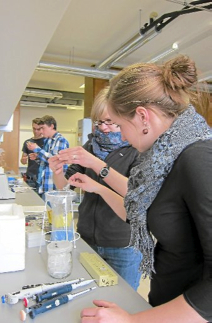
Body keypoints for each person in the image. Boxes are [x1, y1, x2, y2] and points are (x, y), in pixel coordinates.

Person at [67, 55, 212, 322]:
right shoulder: (160, 161)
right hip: (165, 306)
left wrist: (132, 321)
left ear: (143, 117)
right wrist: (98, 189)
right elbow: (138, 213)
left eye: (120, 125)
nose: (120, 135)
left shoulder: (198, 158)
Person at [49, 87, 143, 290]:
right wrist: (57, 170)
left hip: (123, 243)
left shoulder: (138, 150)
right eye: (100, 122)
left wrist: (95, 165)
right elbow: (63, 186)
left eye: (110, 122)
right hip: (87, 237)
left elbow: (135, 193)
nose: (104, 128)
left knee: (123, 301)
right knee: (89, 297)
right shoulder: (90, 146)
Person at [27, 115, 69, 199]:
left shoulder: (61, 140)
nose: (41, 132)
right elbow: (46, 163)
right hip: (45, 186)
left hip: (54, 188)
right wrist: (38, 157)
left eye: (43, 128)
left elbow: (55, 161)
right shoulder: (48, 141)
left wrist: (37, 150)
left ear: (52, 126)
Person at [20, 118, 44, 190]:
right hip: (30, 179)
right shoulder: (28, 142)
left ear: (42, 129)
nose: (36, 131)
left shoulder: (46, 142)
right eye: (34, 129)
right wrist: (23, 160)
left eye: (38, 129)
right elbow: (23, 160)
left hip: (42, 178)